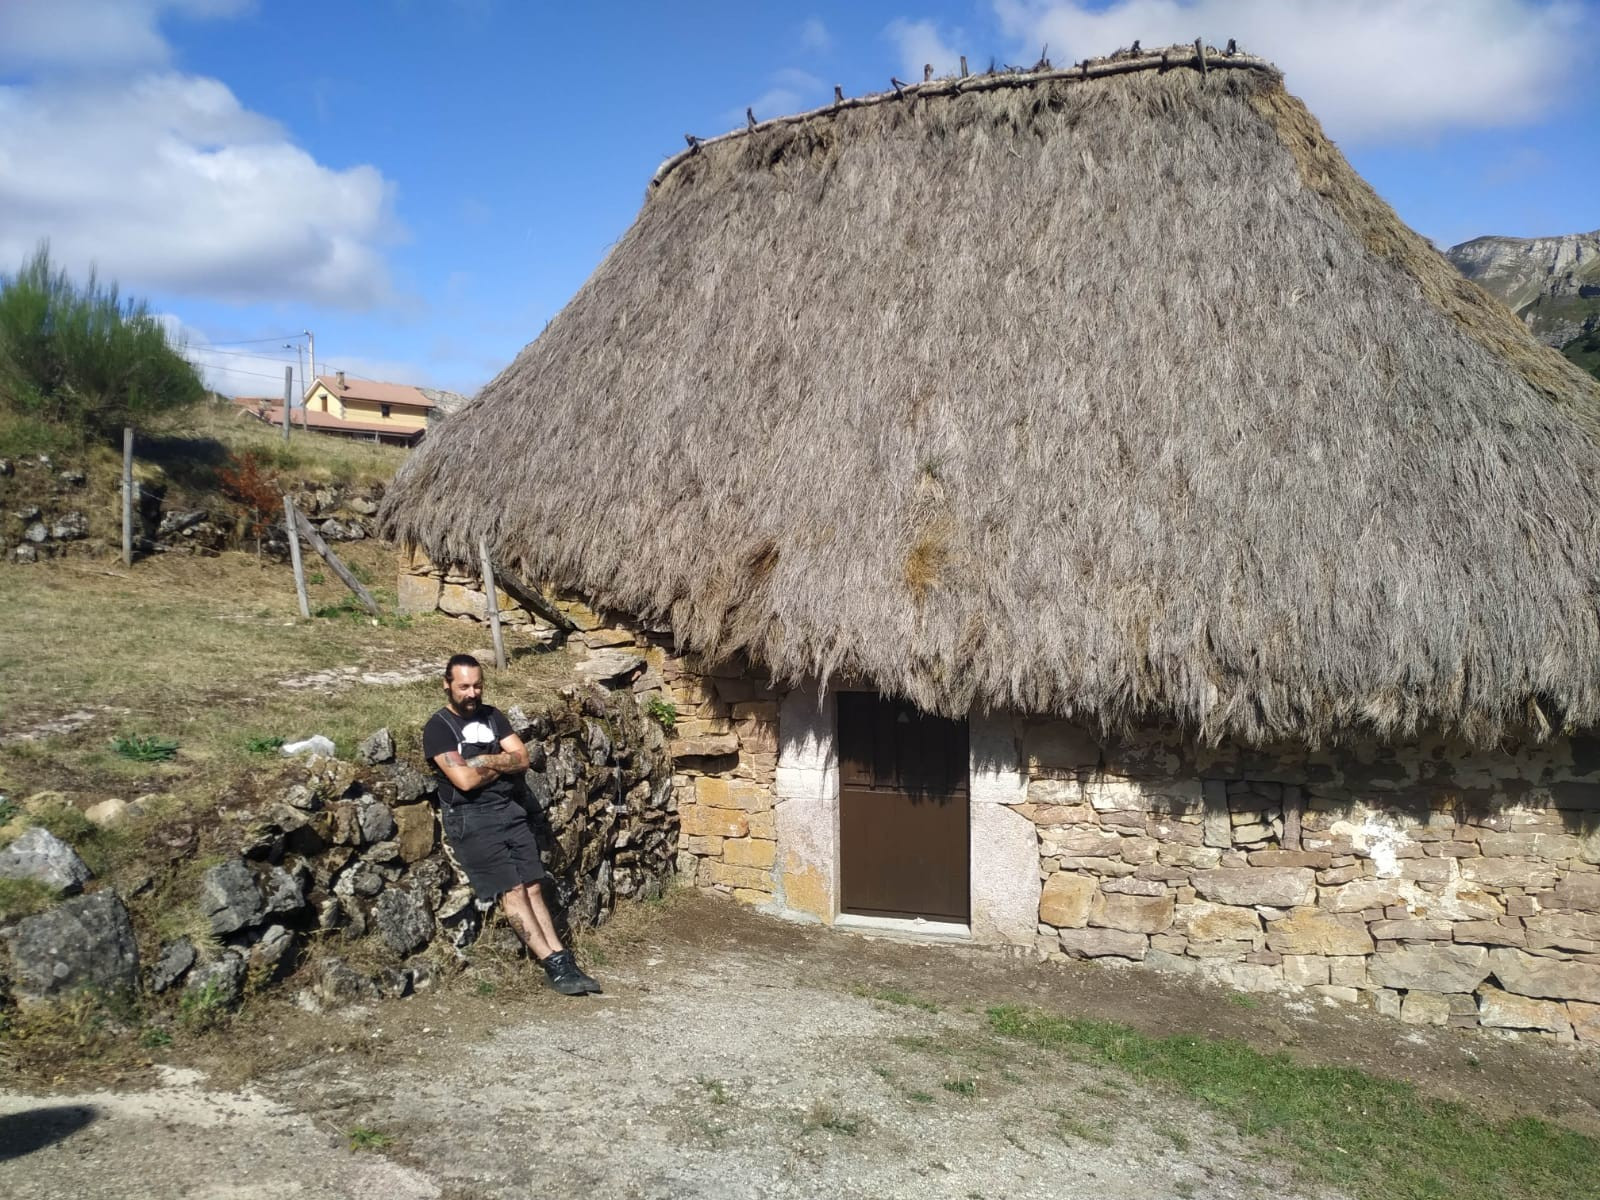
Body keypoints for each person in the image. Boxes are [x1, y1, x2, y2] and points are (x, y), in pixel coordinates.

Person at [423, 653, 600, 996]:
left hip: (509, 809)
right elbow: (465, 782)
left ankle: (563, 957)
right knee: (513, 890)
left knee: (533, 885)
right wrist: (504, 763)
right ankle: (554, 964)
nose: (472, 693)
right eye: (464, 687)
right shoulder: (438, 728)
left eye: (477, 686)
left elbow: (524, 758)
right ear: (447, 685)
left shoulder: (493, 716)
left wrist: (485, 760)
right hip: (472, 818)